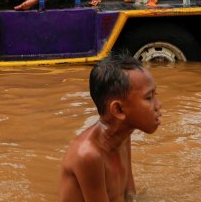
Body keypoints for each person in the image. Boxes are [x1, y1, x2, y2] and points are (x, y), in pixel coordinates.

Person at [58, 55, 162, 201]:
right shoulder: (88, 155)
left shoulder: (124, 136)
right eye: (149, 98)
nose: (158, 105)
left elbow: (130, 195)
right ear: (119, 110)